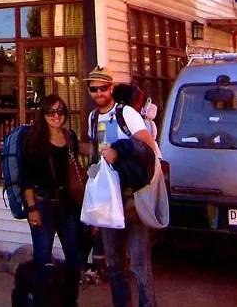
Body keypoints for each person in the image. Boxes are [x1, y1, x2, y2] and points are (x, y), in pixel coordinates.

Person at [86, 68, 161, 307]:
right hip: (108, 200)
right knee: (114, 263)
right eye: (94, 89)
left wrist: (120, 154)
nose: (99, 93)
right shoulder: (92, 118)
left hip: (131, 197)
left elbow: (148, 147)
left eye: (103, 88)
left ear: (111, 89)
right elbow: (94, 155)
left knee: (139, 264)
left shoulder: (126, 113)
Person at [22, 94, 85, 307]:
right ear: (43, 114)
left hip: (67, 204)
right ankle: (39, 301)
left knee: (74, 256)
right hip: (42, 203)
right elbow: (26, 179)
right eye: (50, 112)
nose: (56, 116)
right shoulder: (34, 140)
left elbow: (76, 162)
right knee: (42, 256)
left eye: (60, 111)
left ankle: (70, 301)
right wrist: (32, 208)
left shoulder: (70, 137)